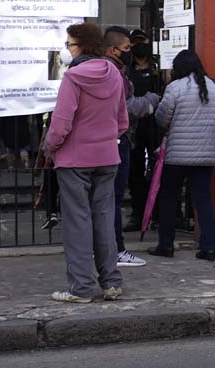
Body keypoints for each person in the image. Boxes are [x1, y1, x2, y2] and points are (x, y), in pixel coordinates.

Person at [47, 23, 128, 303]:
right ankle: (111, 283)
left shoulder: (73, 77)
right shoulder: (114, 75)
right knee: (104, 218)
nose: (67, 49)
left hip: (74, 160)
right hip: (107, 157)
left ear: (80, 46)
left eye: (69, 45)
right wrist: (103, 139)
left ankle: (81, 288)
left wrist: (51, 146)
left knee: (77, 223)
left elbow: (60, 124)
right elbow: (122, 121)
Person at [151, 50, 215, 260]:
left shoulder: (175, 87)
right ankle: (209, 247)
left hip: (178, 156)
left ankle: (166, 245)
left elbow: (162, 118)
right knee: (203, 199)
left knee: (169, 198)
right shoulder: (213, 86)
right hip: (207, 155)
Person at [103, 26, 158, 268]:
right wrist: (152, 101)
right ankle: (115, 250)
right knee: (113, 198)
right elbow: (127, 106)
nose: (132, 51)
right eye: (128, 48)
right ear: (113, 50)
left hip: (124, 137)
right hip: (119, 139)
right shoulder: (114, 73)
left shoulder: (113, 70)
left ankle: (108, 248)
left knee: (107, 199)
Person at [124, 29, 161, 233]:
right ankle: (138, 214)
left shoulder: (160, 67)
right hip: (133, 126)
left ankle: (160, 214)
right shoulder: (126, 69)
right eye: (135, 42)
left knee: (160, 169)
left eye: (142, 41)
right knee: (134, 171)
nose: (139, 45)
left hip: (157, 124)